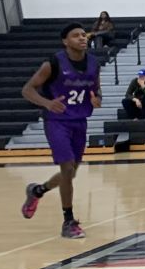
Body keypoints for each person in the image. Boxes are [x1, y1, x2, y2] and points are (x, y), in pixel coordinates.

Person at [20, 22, 101, 239]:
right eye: (76, 35)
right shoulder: (53, 63)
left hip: (80, 121)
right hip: (57, 121)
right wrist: (47, 103)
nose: (82, 38)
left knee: (71, 173)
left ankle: (37, 191)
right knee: (66, 168)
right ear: (65, 41)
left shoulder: (93, 63)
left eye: (83, 34)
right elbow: (27, 90)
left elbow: (96, 89)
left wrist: (97, 99)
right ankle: (69, 221)